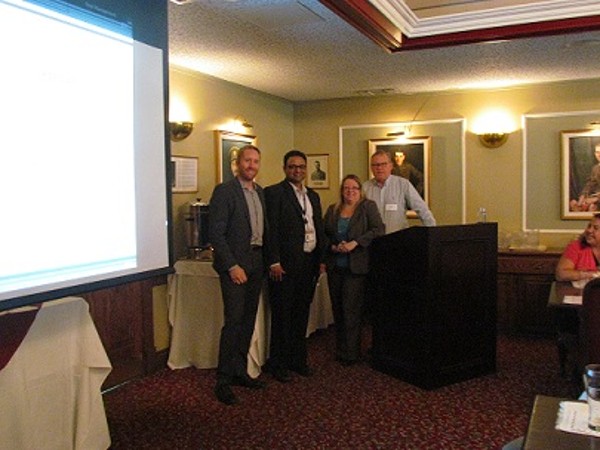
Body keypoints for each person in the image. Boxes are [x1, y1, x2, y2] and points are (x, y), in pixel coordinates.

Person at [208, 144, 268, 405]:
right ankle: (223, 380)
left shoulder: (260, 192)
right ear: (238, 163)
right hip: (235, 266)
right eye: (247, 161)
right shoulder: (225, 191)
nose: (251, 165)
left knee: (248, 321)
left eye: (255, 161)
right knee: (233, 322)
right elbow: (216, 234)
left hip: (256, 262)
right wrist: (232, 266)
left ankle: (239, 371)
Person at [264, 150, 326, 382]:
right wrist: (274, 261)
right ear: (284, 168)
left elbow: (317, 226)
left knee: (301, 315)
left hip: (308, 264)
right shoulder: (274, 193)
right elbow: (269, 229)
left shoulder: (313, 196)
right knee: (282, 316)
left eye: (301, 167)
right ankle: (278, 364)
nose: (297, 170)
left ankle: (297, 360)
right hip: (284, 266)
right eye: (292, 166)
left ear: (306, 169)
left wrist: (320, 260)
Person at [324, 174, 385, 366]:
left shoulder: (367, 207)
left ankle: (351, 353)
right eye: (346, 188)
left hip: (356, 268)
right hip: (335, 267)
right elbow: (324, 234)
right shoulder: (333, 210)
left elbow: (378, 229)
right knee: (338, 310)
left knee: (351, 311)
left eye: (354, 188)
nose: (350, 191)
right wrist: (332, 247)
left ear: (360, 191)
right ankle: (342, 349)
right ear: (342, 191)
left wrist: (355, 243)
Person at [364, 149, 436, 234]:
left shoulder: (403, 184)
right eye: (375, 165)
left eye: (383, 164)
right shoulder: (365, 188)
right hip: (373, 242)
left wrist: (433, 234)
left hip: (398, 240)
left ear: (391, 166)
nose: (379, 168)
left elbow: (422, 209)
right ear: (371, 167)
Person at [570, 144, 600, 212]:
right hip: (594, 196)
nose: (599, 155)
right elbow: (590, 184)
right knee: (573, 204)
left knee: (592, 208)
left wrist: (596, 199)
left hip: (597, 199)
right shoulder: (595, 168)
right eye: (597, 152)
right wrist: (583, 196)